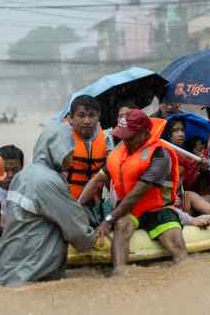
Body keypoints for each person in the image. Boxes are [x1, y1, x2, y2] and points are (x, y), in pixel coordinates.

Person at [79, 109, 187, 274]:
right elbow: (97, 180)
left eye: (129, 136)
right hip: (129, 210)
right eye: (122, 136)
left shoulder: (160, 155)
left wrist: (108, 220)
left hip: (158, 209)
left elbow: (138, 193)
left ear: (144, 133)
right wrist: (76, 207)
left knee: (176, 246)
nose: (125, 141)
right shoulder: (118, 153)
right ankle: (119, 273)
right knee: (122, 224)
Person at [0, 123, 95, 286]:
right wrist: (96, 239)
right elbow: (78, 232)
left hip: (10, 270)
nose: (72, 158)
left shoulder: (25, 174)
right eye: (69, 152)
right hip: (30, 275)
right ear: (57, 150)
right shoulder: (46, 181)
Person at [161, 118, 210, 228]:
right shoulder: (162, 154)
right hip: (164, 203)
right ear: (167, 134)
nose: (181, 134)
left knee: (191, 195)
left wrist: (200, 167)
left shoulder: (187, 156)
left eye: (182, 130)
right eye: (175, 131)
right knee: (187, 196)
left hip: (180, 198)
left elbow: (189, 184)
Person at [66, 95, 113, 201]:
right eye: (81, 116)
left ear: (99, 116)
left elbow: (110, 173)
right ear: (70, 118)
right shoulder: (61, 138)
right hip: (67, 203)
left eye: (92, 116)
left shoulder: (106, 139)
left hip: (95, 202)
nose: (87, 121)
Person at [0, 145, 25, 226]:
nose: (10, 175)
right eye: (5, 170)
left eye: (15, 170)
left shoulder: (30, 193)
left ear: (22, 169)